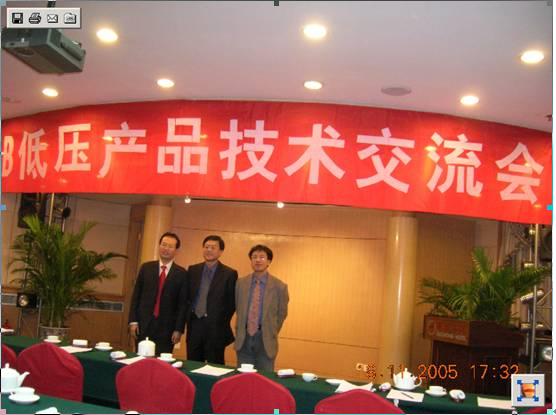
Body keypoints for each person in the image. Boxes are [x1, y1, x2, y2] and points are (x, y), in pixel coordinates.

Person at [128, 232, 187, 354]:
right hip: (143, 324)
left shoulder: (182, 274)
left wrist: (178, 329)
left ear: (176, 250)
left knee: (162, 361)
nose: (166, 249)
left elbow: (182, 305)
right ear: (159, 246)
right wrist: (133, 321)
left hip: (167, 328)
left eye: (170, 246)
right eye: (164, 245)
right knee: (141, 358)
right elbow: (136, 296)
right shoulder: (146, 268)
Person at [183, 235, 238, 364]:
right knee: (192, 364)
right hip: (194, 325)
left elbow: (231, 303)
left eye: (213, 247)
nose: (209, 250)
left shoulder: (229, 274)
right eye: (206, 247)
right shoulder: (193, 270)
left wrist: (219, 321)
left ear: (220, 251)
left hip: (216, 329)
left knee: (215, 366)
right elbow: (187, 297)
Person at [235, 244, 289, 372]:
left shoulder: (280, 286)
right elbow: (238, 308)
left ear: (269, 261)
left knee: (264, 377)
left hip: (266, 340)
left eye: (262, 257)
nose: (258, 260)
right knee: (242, 377)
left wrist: (270, 330)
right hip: (244, 338)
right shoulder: (240, 283)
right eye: (254, 257)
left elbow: (282, 314)